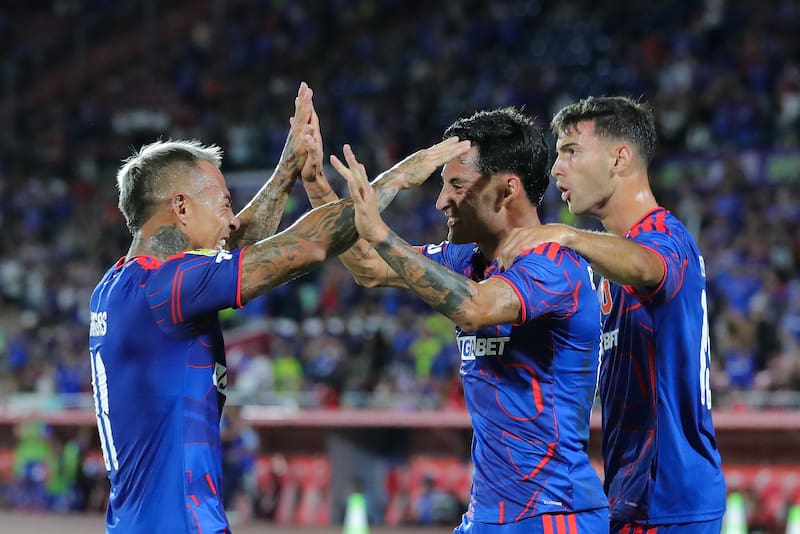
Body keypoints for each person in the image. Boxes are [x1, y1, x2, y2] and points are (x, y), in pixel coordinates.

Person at [87, 82, 470, 533]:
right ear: (181, 208)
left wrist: (288, 169)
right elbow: (307, 246)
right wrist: (396, 179)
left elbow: (238, 247)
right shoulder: (168, 287)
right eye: (224, 203)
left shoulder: (119, 287)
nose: (232, 219)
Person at [311, 107, 609, 533]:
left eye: (456, 185)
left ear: (506, 190)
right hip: (487, 516)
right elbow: (368, 267)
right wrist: (317, 184)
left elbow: (474, 308)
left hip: (554, 514)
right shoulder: (466, 259)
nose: (441, 201)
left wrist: (382, 233)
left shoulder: (555, 265)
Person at [500, 96, 727, 533]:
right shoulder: (608, 261)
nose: (556, 168)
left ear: (619, 159)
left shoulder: (664, 237)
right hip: (634, 493)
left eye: (571, 151)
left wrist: (568, 236)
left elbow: (646, 265)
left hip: (670, 499)